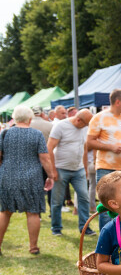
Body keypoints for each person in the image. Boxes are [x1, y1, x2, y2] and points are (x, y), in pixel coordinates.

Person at [0, 105, 55, 255]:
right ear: (30, 119)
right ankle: (33, 247)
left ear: (15, 118)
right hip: (31, 178)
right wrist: (50, 176)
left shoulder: (5, 133)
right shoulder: (36, 134)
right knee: (33, 212)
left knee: (5, 211)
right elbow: (44, 158)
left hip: (7, 176)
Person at [87, 89, 121, 230]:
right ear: (117, 102)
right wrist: (111, 147)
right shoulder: (99, 117)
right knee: (107, 208)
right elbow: (89, 142)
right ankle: (106, 244)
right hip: (106, 167)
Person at [48, 109, 96, 236]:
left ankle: (85, 227)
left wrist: (85, 169)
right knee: (57, 200)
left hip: (78, 169)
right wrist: (53, 170)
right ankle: (56, 228)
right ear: (78, 119)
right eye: (85, 124)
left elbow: (84, 149)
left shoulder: (85, 127)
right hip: (61, 168)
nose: (86, 127)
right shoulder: (61, 126)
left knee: (84, 198)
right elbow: (49, 147)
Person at [29, 106, 54, 212]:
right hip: (47, 158)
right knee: (50, 187)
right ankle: (52, 211)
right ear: (42, 113)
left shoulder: (27, 125)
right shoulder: (50, 125)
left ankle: (37, 212)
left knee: (35, 188)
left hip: (32, 161)